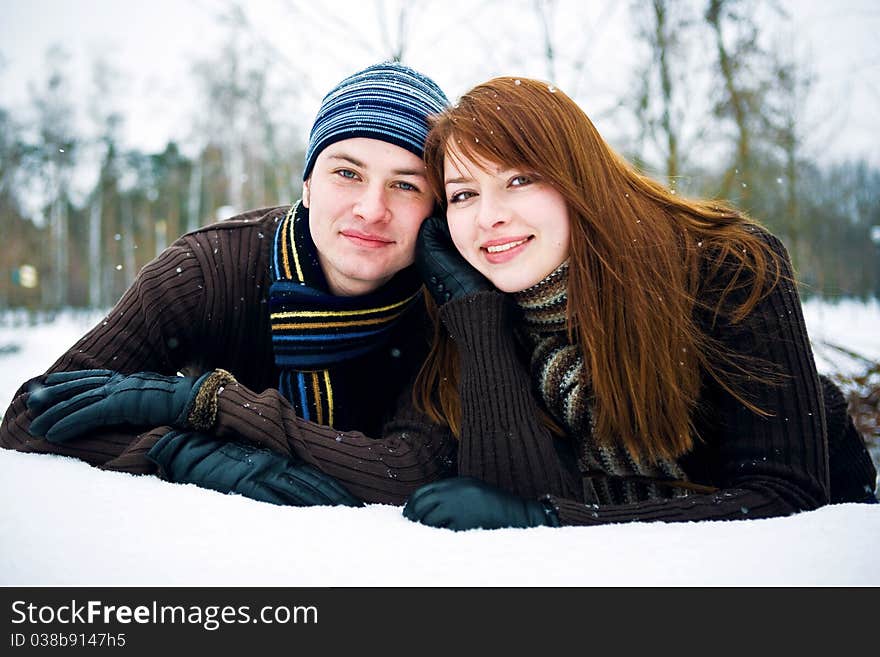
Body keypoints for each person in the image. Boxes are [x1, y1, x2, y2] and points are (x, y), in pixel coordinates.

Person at [401, 76, 878, 530]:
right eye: (463, 194)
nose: (489, 217)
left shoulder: (726, 267)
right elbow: (505, 501)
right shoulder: (476, 304)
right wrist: (476, 317)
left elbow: (784, 499)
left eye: (519, 180)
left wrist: (552, 522)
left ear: (577, 178)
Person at [3, 61, 458, 507]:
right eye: (347, 173)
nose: (371, 208)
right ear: (307, 185)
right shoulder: (210, 270)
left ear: (435, 206)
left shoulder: (443, 299)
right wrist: (186, 455)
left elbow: (414, 472)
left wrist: (212, 405)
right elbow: (30, 418)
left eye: (405, 186)